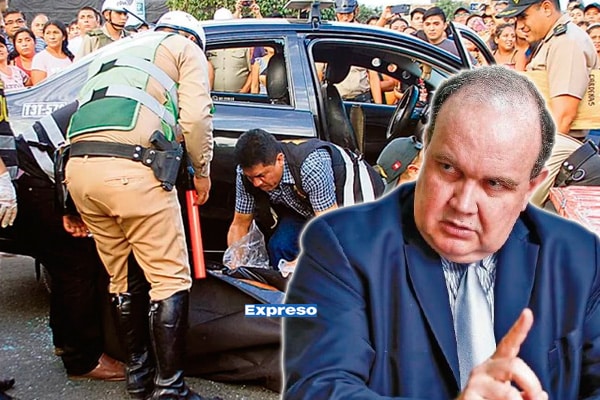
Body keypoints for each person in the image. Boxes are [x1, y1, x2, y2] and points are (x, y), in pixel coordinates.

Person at [283, 66, 600, 399]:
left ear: (530, 189)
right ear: (425, 153)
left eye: (494, 184)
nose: (463, 204)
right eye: (448, 168)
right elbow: (320, 386)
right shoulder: (343, 246)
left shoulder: (580, 259)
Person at [64, 11, 215, 400]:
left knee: (121, 278)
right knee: (169, 279)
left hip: (78, 172)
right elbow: (196, 118)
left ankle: (139, 377)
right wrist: (202, 171)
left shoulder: (115, 50)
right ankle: (170, 389)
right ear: (193, 38)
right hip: (133, 170)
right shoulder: (184, 47)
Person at [10, 102, 126, 382]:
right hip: (38, 176)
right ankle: (83, 360)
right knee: (78, 265)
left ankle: (66, 341)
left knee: (66, 266)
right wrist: (69, 210)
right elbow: (80, 165)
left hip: (36, 172)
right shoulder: (127, 113)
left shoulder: (111, 97)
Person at [227, 128, 384, 270]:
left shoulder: (311, 166)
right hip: (308, 206)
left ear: (279, 160)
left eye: (261, 175)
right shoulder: (244, 175)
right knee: (281, 246)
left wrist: (301, 262)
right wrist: (235, 263)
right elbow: (240, 224)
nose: (256, 183)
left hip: (352, 197)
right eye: (251, 177)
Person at [497, 0, 598, 140]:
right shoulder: (552, 40)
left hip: (558, 145)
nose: (520, 26)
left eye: (523, 17)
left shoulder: (566, 43)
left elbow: (562, 118)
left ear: (547, 8)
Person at [30, 20, 73, 85]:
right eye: (48, 33)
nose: (52, 37)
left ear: (63, 36)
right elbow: (38, 87)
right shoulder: (40, 58)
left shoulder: (70, 57)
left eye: (55, 33)